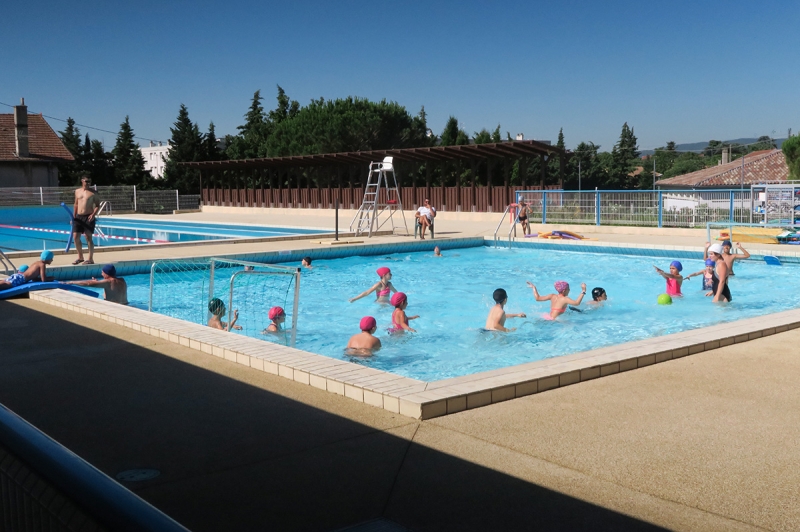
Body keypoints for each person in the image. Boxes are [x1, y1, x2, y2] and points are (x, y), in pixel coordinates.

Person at [71, 176, 101, 265]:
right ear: (82, 181)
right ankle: (80, 257)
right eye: (86, 181)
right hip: (78, 217)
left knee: (88, 238)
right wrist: (73, 216)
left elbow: (97, 205)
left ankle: (90, 259)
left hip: (88, 217)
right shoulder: (77, 191)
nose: (88, 183)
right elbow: (76, 204)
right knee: (75, 237)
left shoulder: (93, 193)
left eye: (89, 181)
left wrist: (93, 215)